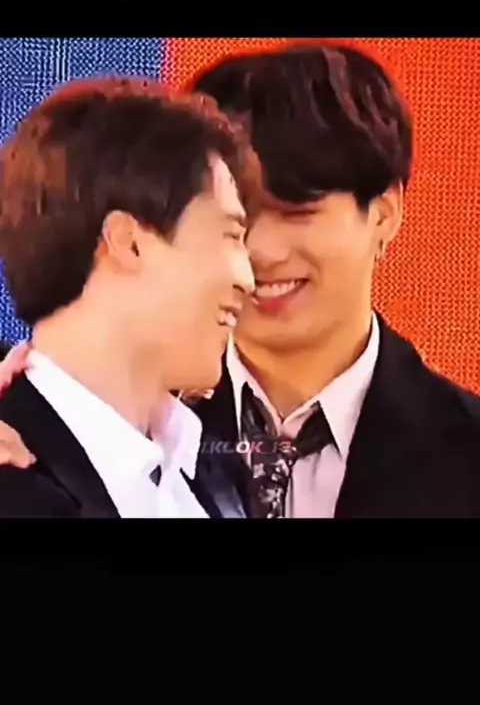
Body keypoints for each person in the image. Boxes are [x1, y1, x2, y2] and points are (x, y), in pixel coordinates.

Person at [2, 42, 480, 518]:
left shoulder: (465, 451)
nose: (260, 255)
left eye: (297, 212)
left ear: (384, 214)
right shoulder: (125, 418)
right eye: (236, 223)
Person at [0, 76, 254, 517]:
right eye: (230, 235)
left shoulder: (218, 479)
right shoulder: (14, 487)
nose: (248, 279)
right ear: (129, 242)